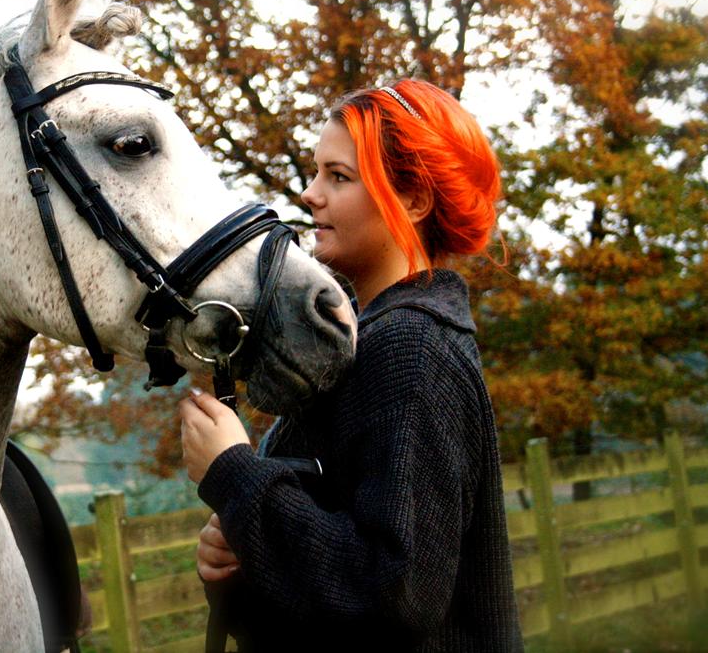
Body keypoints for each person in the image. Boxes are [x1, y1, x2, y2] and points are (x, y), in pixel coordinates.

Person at [178, 79, 523, 651]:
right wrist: (243, 553)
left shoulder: (413, 352)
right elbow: (323, 595)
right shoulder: (362, 345)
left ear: (412, 200)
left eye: (338, 177)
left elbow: (394, 597)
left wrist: (235, 473)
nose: (311, 194)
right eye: (316, 174)